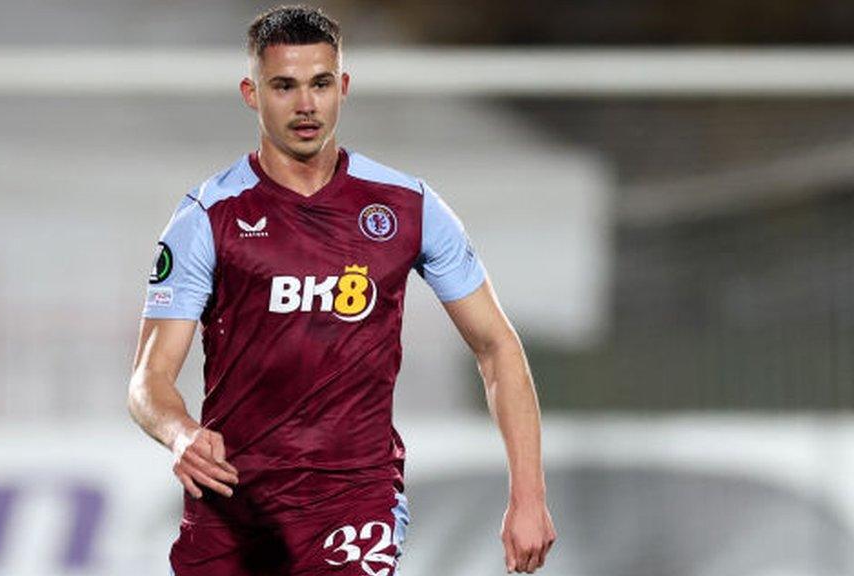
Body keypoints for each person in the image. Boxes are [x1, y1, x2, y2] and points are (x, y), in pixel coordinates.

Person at [127, 5, 556, 575]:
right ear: (251, 93)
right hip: (233, 499)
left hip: (355, 496)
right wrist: (181, 435)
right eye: (284, 86)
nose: (306, 105)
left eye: (320, 84)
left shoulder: (408, 207)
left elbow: (496, 346)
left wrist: (527, 496)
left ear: (343, 87)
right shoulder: (209, 218)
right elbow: (148, 381)